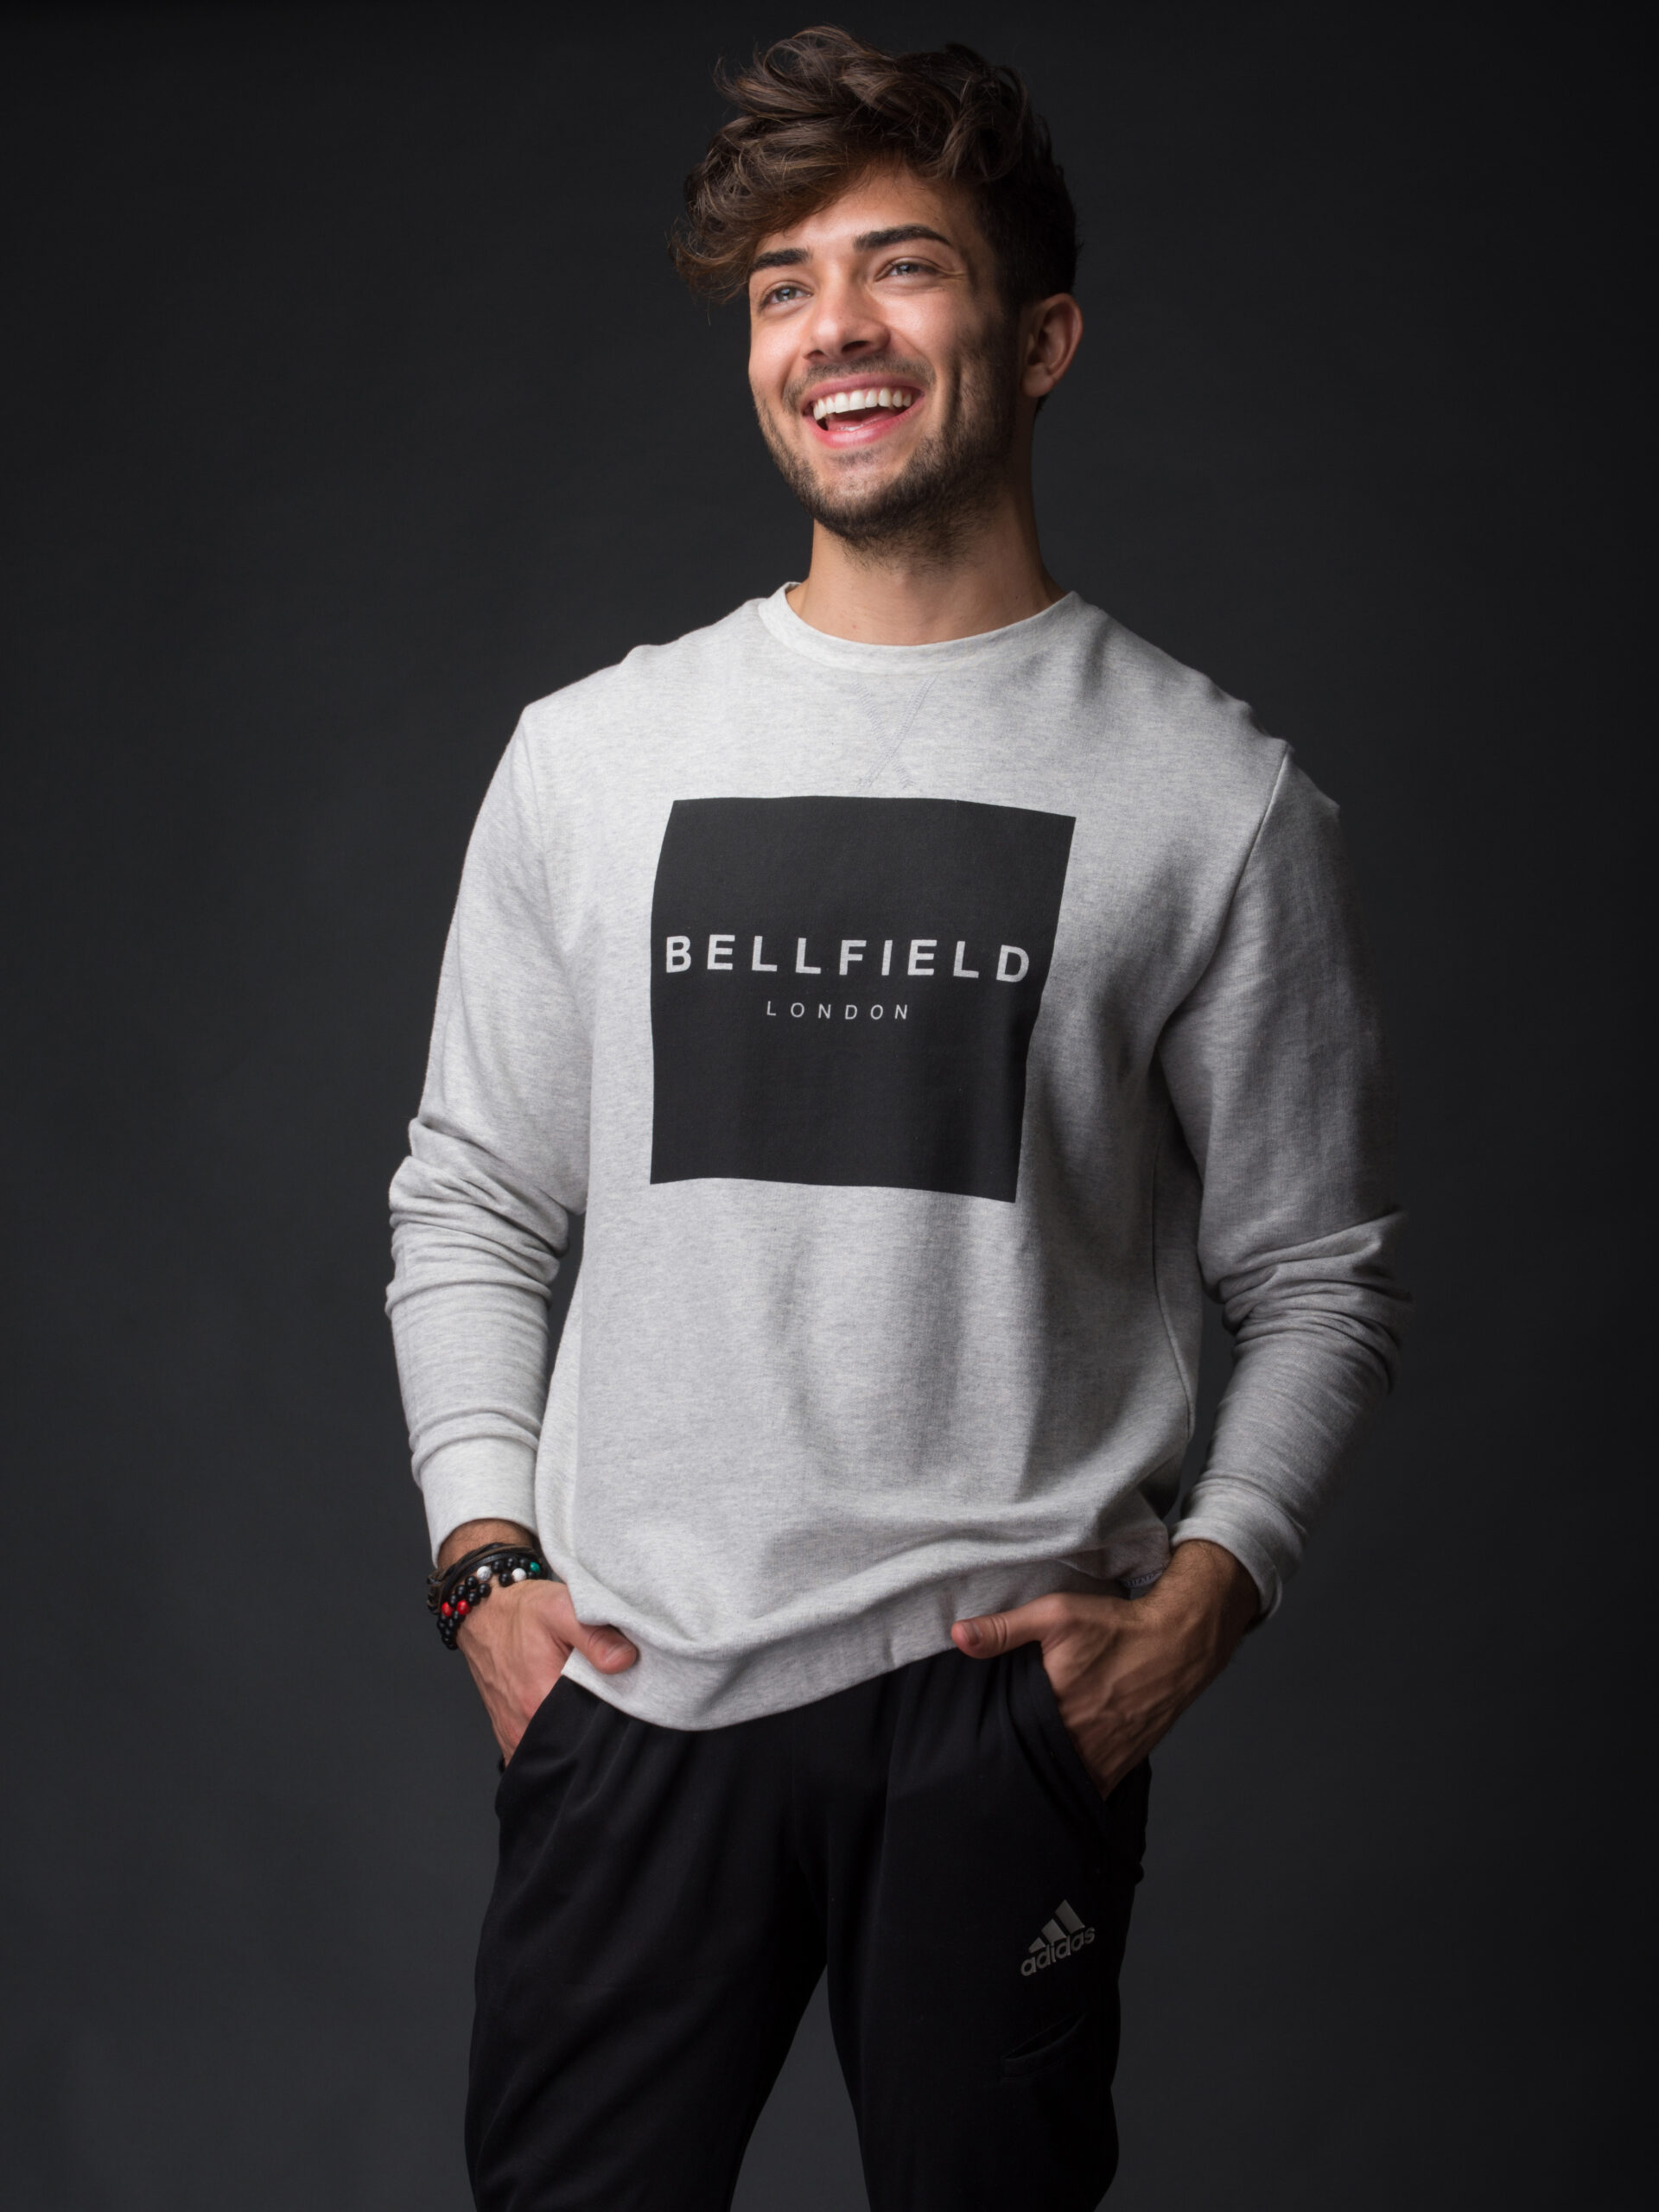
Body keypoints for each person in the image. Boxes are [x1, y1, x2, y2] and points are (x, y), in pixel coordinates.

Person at [388, 26, 1408, 2211]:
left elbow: (1317, 1275)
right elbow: (472, 1197)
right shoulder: (592, 757)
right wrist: (484, 1559)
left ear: (1039, 341)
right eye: (784, 285)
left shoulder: (1213, 797)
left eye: (901, 267)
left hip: (998, 1709)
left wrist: (1196, 1609)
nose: (831, 327)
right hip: (632, 1682)